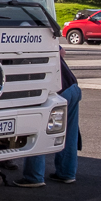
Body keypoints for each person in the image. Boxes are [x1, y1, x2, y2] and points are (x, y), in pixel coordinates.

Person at [14, 47, 82, 187]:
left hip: (53, 90)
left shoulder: (19, 40)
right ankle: (67, 173)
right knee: (69, 133)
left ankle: (34, 176)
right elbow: (62, 52)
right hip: (72, 86)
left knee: (37, 130)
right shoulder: (41, 34)